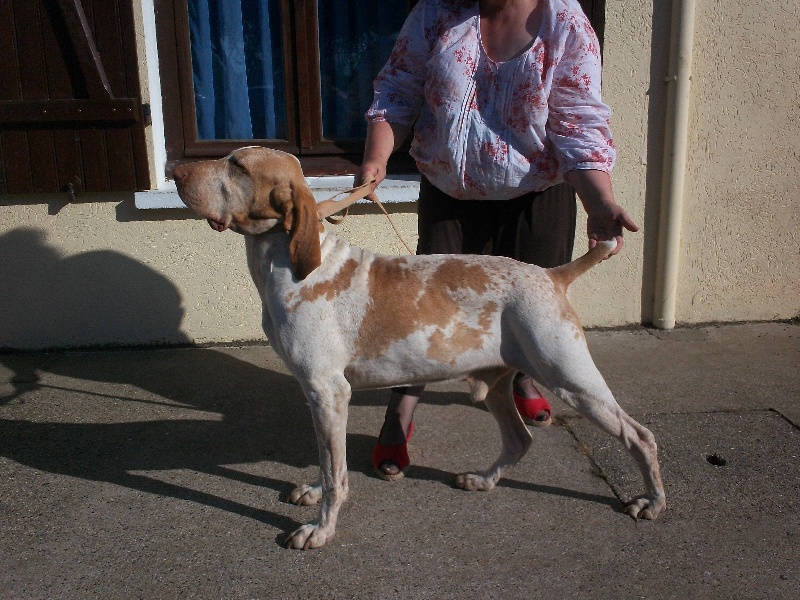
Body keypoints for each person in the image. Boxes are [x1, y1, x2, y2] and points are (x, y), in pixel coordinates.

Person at [355, 0, 639, 480]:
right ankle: (399, 413)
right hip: (451, 196)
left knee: (529, 318)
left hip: (535, 199)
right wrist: (376, 160)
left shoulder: (563, 21)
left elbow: (578, 122)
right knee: (421, 319)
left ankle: (522, 379)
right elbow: (398, 89)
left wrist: (599, 201)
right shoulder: (436, 13)